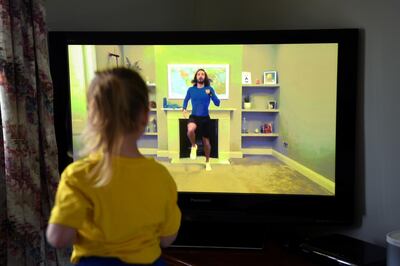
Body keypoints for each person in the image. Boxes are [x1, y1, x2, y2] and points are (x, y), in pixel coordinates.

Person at [46, 68, 181, 266]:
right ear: (145, 116)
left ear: (92, 117)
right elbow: (168, 238)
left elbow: (58, 238)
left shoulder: (78, 175)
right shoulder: (160, 176)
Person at [182, 68, 220, 171]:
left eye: (202, 74)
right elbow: (186, 100)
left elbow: (217, 103)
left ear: (205, 77)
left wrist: (210, 94)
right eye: (198, 74)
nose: (200, 76)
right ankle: (194, 146)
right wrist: (184, 108)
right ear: (196, 77)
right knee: (190, 130)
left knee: (206, 142)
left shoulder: (209, 89)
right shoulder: (191, 90)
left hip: (205, 118)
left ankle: (207, 162)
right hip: (194, 116)